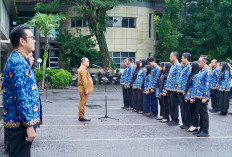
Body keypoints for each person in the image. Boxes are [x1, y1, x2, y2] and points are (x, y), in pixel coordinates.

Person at [3, 25, 41, 156]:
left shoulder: (19, 60)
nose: (34, 40)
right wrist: (29, 126)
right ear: (22, 41)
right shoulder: (18, 62)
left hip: (20, 124)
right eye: (31, 37)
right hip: (20, 126)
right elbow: (21, 96)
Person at [192, 55, 211, 137]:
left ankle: (205, 131)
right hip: (197, 95)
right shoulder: (201, 71)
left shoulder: (207, 72)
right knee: (200, 113)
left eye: (199, 61)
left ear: (205, 62)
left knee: (204, 114)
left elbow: (207, 85)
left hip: (202, 96)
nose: (198, 63)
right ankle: (201, 129)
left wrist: (205, 97)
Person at [166, 52, 182, 126]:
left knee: (174, 104)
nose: (170, 58)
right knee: (170, 104)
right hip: (169, 88)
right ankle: (172, 118)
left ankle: (175, 119)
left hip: (173, 88)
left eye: (171, 56)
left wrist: (176, 87)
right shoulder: (173, 66)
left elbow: (178, 77)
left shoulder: (178, 66)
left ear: (175, 57)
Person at [184, 61, 201, 132]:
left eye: (191, 66)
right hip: (189, 95)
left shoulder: (196, 76)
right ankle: (192, 124)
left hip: (192, 95)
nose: (190, 68)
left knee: (194, 111)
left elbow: (195, 87)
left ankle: (195, 125)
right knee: (191, 110)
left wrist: (192, 97)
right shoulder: (192, 74)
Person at [177, 52, 191, 129]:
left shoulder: (189, 67)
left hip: (184, 91)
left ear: (186, 58)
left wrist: (184, 89)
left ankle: (187, 123)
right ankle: (184, 122)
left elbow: (188, 80)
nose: (181, 59)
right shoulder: (184, 67)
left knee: (185, 108)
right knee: (182, 107)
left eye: (182, 58)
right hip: (180, 90)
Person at [77, 57, 94, 121]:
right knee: (82, 103)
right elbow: (84, 80)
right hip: (84, 89)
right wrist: (86, 89)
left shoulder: (82, 68)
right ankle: (81, 116)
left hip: (82, 88)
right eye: (87, 61)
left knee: (82, 103)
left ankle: (81, 116)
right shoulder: (83, 69)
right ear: (83, 62)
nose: (88, 62)